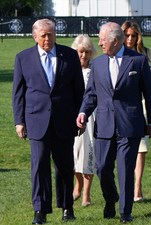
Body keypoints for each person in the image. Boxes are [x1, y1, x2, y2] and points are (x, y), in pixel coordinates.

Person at [76, 22, 151, 223]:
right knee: (103, 168)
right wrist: (83, 113)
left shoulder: (138, 61)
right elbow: (91, 95)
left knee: (125, 169)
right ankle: (111, 199)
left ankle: (125, 212)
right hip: (104, 125)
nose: (100, 43)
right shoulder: (98, 64)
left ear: (115, 40)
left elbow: (149, 92)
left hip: (129, 125)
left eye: (103, 40)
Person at [14, 19, 86, 223]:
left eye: (51, 34)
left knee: (64, 166)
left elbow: (79, 90)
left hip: (65, 120)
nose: (48, 38)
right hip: (36, 120)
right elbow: (18, 93)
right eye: (43, 35)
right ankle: (40, 210)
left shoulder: (70, 56)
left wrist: (82, 117)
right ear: (35, 36)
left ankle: (67, 208)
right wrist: (19, 121)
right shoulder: (23, 58)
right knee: (39, 166)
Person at [121, 21, 151, 202]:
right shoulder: (117, 53)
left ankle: (137, 186)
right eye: (127, 35)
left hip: (143, 106)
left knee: (141, 148)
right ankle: (125, 185)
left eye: (134, 35)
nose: (130, 39)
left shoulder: (145, 54)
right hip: (124, 107)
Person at [70, 34, 96, 207]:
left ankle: (86, 192)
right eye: (80, 52)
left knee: (88, 153)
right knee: (73, 153)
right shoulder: (69, 69)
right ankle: (77, 185)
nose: (83, 56)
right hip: (72, 115)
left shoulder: (95, 69)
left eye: (87, 52)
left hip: (92, 118)